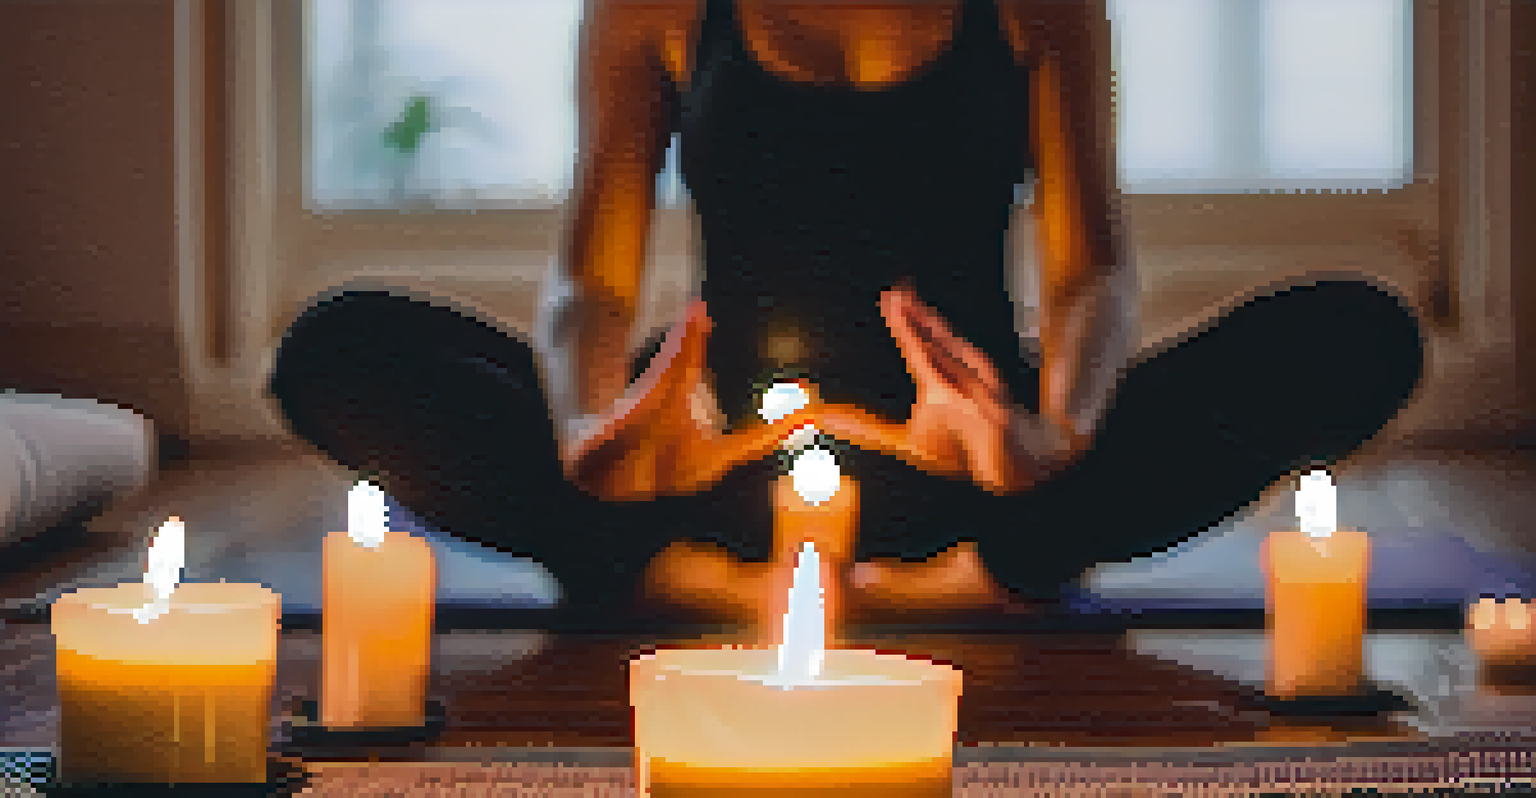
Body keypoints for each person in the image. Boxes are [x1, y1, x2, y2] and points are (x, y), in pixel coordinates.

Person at [269, 0, 1425, 629]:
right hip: (713, 475)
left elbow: (1092, 272)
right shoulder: (653, 9)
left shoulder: (1043, 9)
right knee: (339, 348)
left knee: (1358, 330)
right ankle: (660, 548)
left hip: (970, 474)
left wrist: (1050, 438)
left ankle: (990, 553)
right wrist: (592, 434)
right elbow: (592, 282)